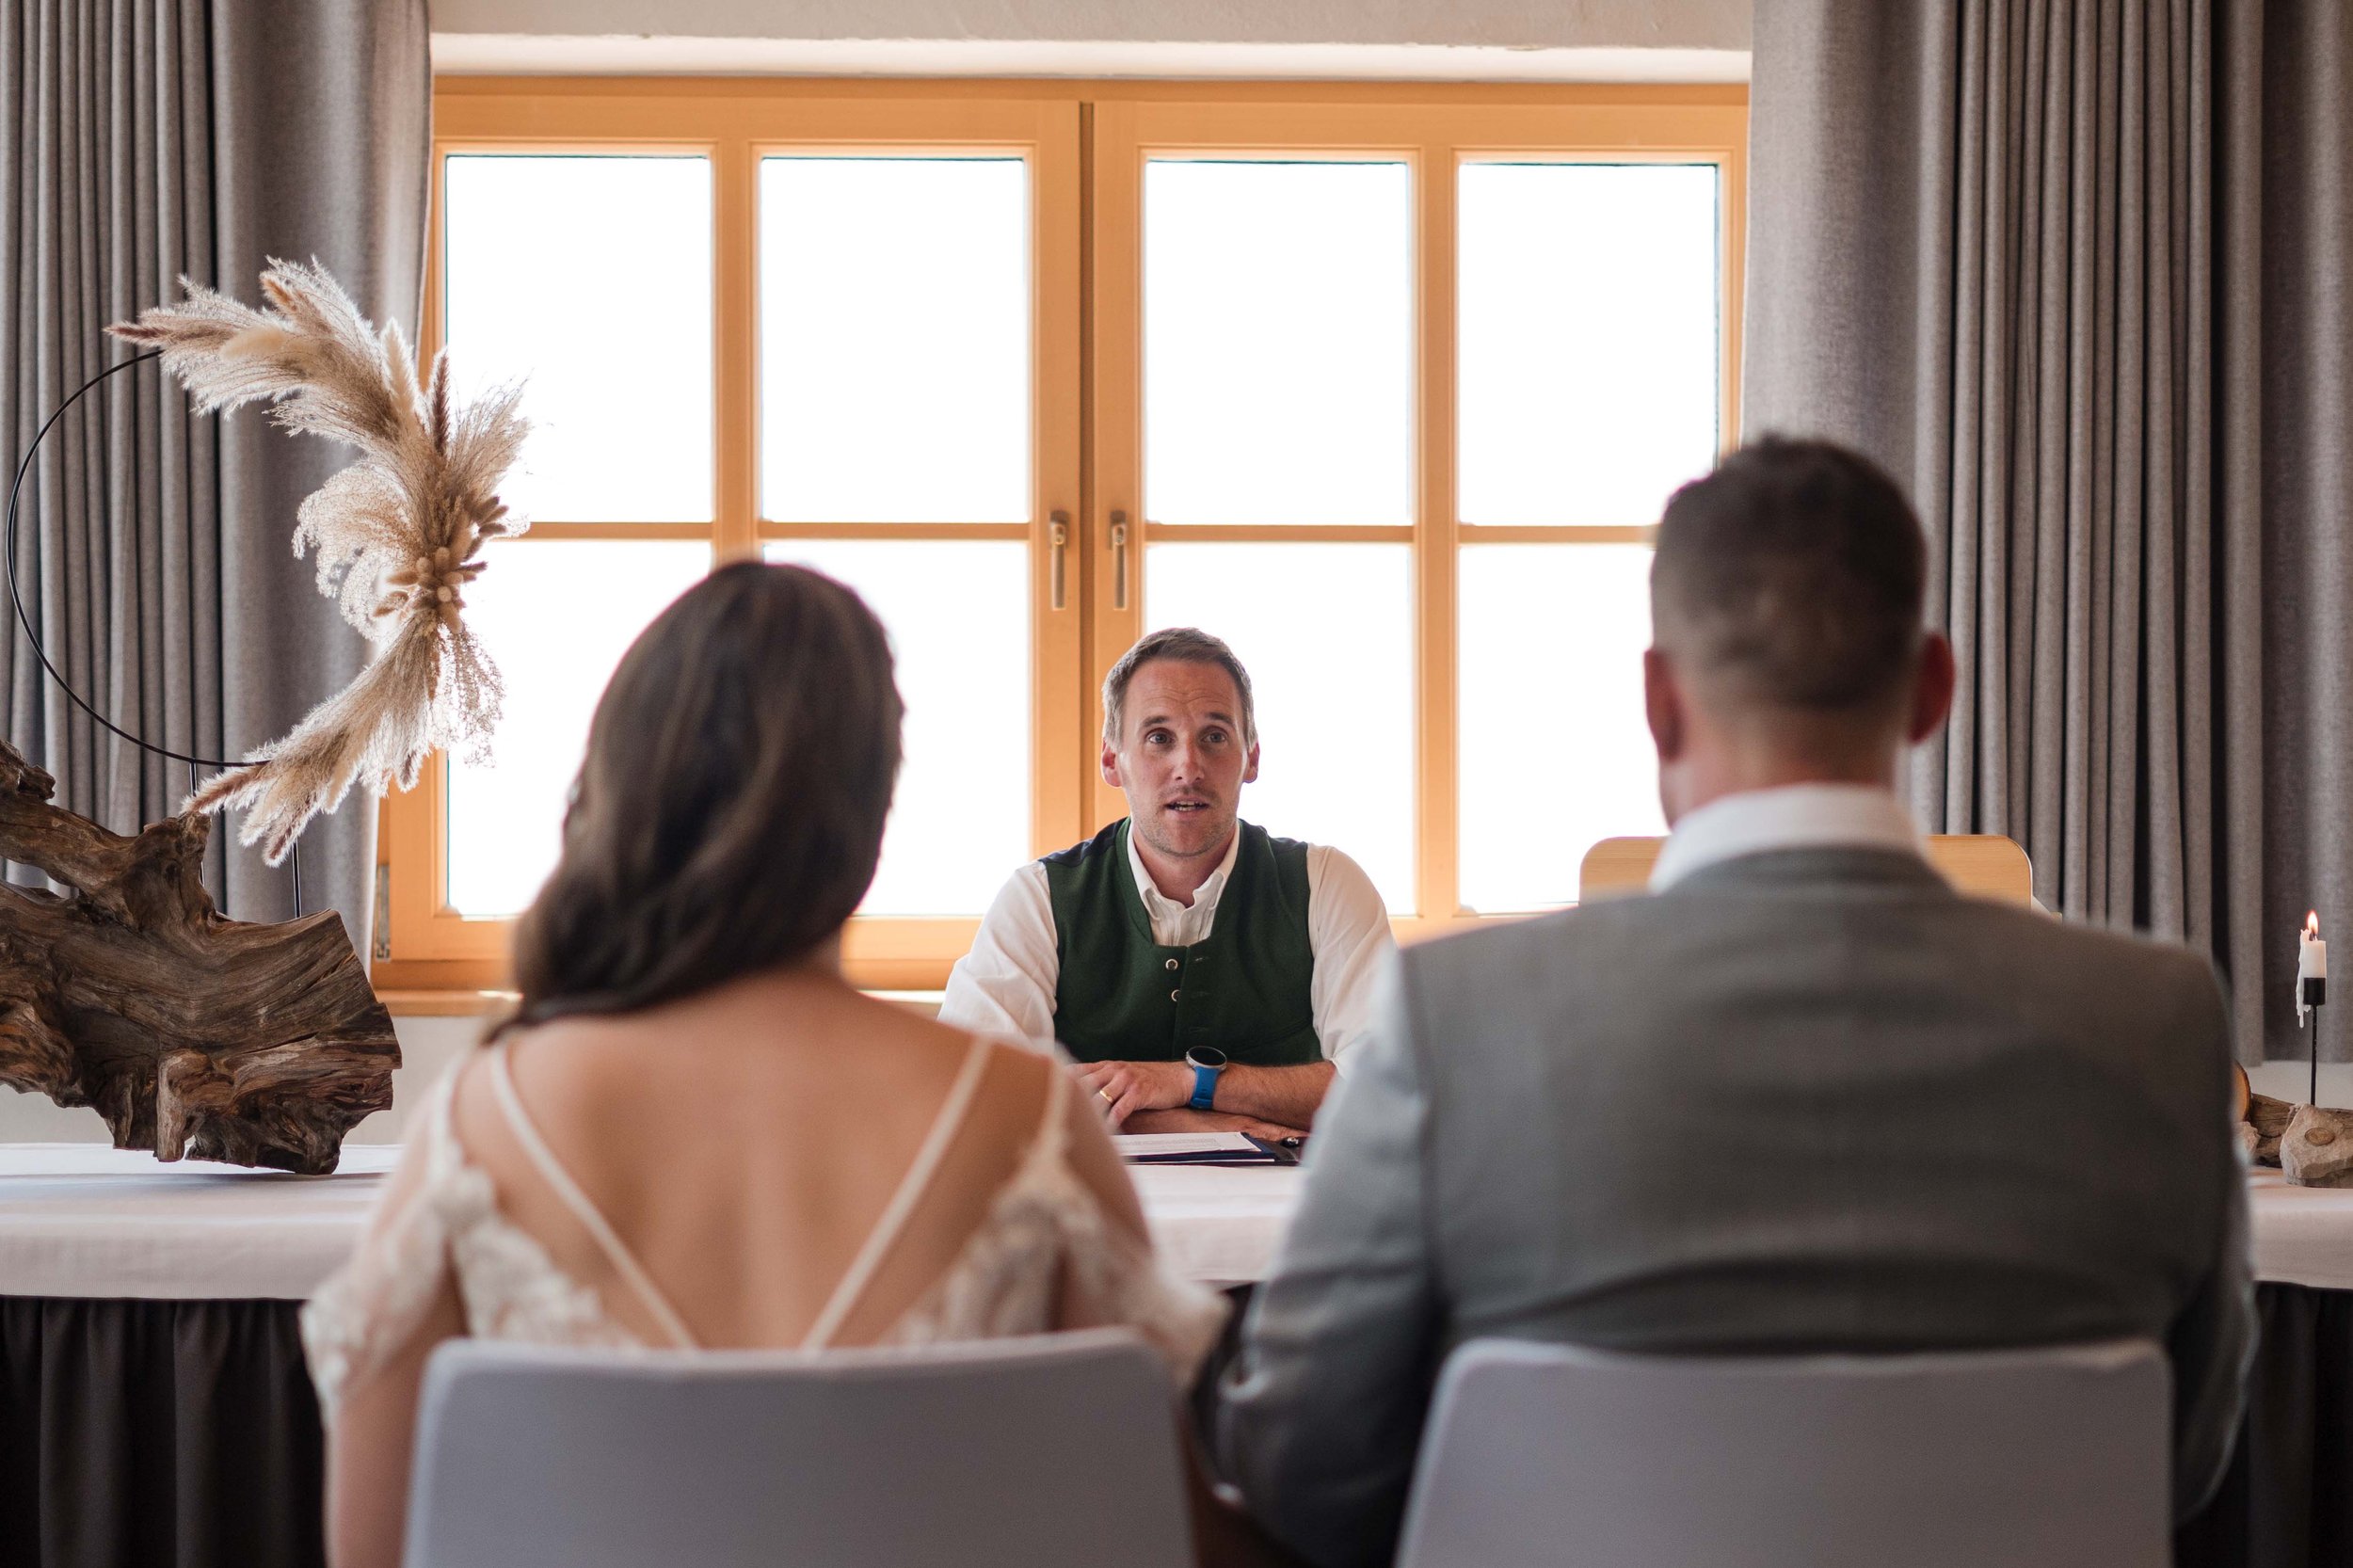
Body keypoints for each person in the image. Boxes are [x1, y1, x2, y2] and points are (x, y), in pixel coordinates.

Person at [1214, 437, 2255, 1567]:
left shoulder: (1452, 1020)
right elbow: (2184, 1463)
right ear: (1932, 688)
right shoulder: (2159, 1020)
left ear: (1659, 703)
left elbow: (1302, 1470)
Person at [302, 564, 1230, 1568]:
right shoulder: (1024, 1117)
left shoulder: (489, 1120)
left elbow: (375, 1548)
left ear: (624, 783)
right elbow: (1157, 1535)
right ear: (870, 812)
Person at [940, 628, 1394, 1138]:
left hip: (1290, 1209)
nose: (1189, 767)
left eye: (1215, 736)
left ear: (1253, 757)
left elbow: (1387, 1087)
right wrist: (1194, 1124)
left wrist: (1191, 1082)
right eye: (1159, 738)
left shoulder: (1327, 885)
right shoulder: (1040, 898)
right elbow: (969, 1093)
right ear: (1113, 761)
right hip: (1093, 1211)